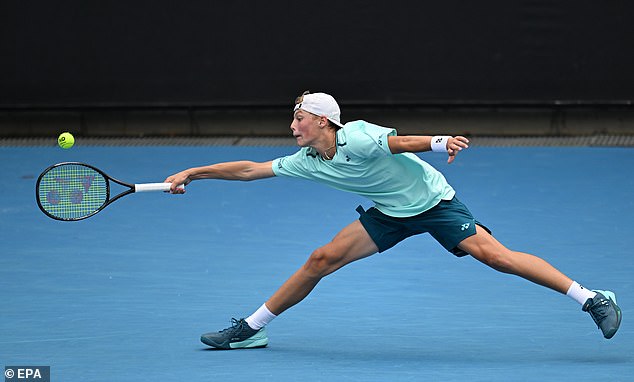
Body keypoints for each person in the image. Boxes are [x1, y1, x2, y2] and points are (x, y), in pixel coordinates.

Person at [165, 91, 622, 349]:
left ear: (324, 121)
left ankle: (591, 297)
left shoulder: (359, 135)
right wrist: (194, 172)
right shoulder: (309, 159)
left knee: (494, 257)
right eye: (293, 118)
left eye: (299, 118)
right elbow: (249, 170)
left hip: (435, 203)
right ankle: (250, 329)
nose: (293, 125)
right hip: (389, 214)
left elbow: (399, 143)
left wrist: (440, 141)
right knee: (320, 259)